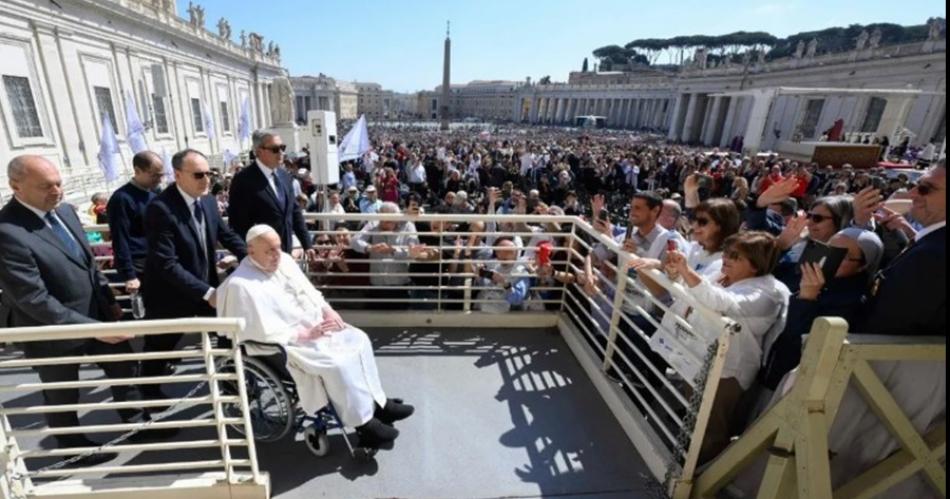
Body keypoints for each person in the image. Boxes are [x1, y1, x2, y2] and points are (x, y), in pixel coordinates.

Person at [0, 155, 156, 465]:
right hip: (51, 329)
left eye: (59, 183)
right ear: (15, 186)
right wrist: (90, 327)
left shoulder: (67, 212)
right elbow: (32, 298)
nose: (57, 190)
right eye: (46, 186)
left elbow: (89, 265)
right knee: (62, 392)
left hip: (97, 314)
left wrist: (110, 304)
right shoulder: (7, 231)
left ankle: (138, 424)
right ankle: (72, 448)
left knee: (124, 369)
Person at [218, 225, 414, 447]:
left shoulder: (284, 260)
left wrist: (327, 310)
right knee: (337, 364)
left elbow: (310, 292)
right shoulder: (240, 285)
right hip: (288, 345)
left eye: (278, 248)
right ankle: (364, 425)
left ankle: (379, 404)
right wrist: (303, 334)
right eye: (269, 251)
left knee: (359, 340)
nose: (276, 255)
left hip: (316, 326)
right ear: (251, 251)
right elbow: (256, 331)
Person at [664, 231, 791, 463]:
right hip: (699, 359)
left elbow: (720, 302)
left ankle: (696, 479)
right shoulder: (723, 275)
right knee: (694, 419)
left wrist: (685, 271)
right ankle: (683, 463)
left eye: (736, 256)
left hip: (727, 372)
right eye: (727, 252)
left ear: (755, 265)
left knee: (712, 430)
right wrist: (675, 275)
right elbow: (693, 290)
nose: (726, 259)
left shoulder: (767, 294)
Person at [142, 149, 247, 401]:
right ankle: (148, 396)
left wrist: (252, 255)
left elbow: (226, 235)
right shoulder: (160, 208)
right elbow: (166, 264)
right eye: (199, 175)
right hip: (170, 294)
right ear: (177, 175)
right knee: (160, 348)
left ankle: (232, 385)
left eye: (209, 173)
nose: (206, 180)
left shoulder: (208, 200)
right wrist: (208, 292)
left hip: (205, 288)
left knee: (226, 337)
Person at [860, 160, 945, 335]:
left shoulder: (932, 256)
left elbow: (889, 322)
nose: (912, 193)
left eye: (925, 189)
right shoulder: (931, 246)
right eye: (916, 185)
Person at [227, 131, 314, 259]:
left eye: (282, 148)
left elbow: (294, 211)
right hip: (260, 256)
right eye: (275, 149)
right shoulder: (243, 180)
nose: (281, 153)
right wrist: (248, 255)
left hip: (285, 253)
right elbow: (237, 224)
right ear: (259, 151)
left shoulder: (284, 175)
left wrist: (307, 244)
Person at [106, 151, 164, 297]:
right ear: (138, 171)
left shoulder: (155, 194)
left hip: (158, 259)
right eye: (154, 175)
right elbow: (120, 238)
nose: (159, 180)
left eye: (161, 175)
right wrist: (129, 274)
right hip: (139, 265)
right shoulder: (121, 199)